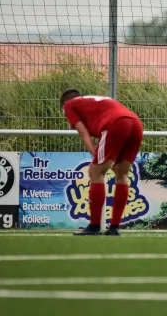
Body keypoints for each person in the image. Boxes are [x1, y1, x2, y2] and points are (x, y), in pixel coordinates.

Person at [61, 90, 144, 236]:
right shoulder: (91, 102)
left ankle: (94, 226)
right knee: (121, 173)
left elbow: (83, 132)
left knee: (96, 172)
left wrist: (94, 156)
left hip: (115, 124)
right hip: (135, 124)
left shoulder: (68, 105)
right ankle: (114, 228)